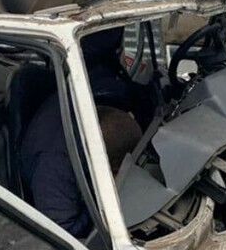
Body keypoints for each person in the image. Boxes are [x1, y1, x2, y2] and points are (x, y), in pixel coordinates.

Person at [19, 28, 147, 239]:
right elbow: (62, 233)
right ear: (103, 164)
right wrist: (104, 201)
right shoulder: (55, 167)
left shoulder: (94, 98)